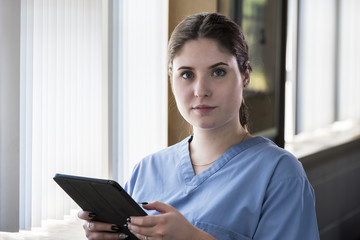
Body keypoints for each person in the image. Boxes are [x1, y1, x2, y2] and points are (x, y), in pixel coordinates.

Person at [78, 12, 320, 240]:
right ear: (171, 78)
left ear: (245, 74)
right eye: (187, 75)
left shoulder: (279, 174)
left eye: (218, 72)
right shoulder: (147, 170)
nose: (201, 91)